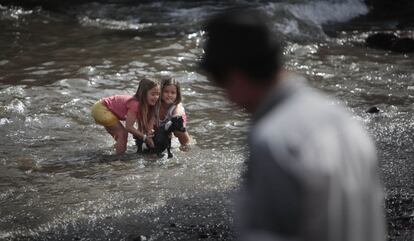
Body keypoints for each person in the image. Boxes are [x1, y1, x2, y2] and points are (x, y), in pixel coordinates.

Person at [200, 9, 385, 241]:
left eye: (220, 83)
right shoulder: (344, 120)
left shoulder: (274, 141)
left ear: (235, 75)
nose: (227, 99)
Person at [91, 78, 160, 154]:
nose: (156, 97)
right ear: (143, 94)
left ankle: (115, 152)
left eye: (158, 94)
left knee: (121, 138)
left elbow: (143, 128)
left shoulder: (146, 106)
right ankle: (119, 159)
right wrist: (145, 138)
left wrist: (148, 135)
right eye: (153, 94)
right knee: (123, 134)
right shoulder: (136, 105)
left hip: (100, 107)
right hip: (101, 109)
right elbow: (129, 127)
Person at [156, 77, 190, 146]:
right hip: (159, 128)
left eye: (173, 93)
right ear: (160, 92)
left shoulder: (176, 106)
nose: (169, 95)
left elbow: (178, 113)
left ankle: (186, 146)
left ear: (177, 95)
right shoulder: (155, 104)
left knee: (178, 123)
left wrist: (175, 118)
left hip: (176, 125)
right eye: (166, 92)